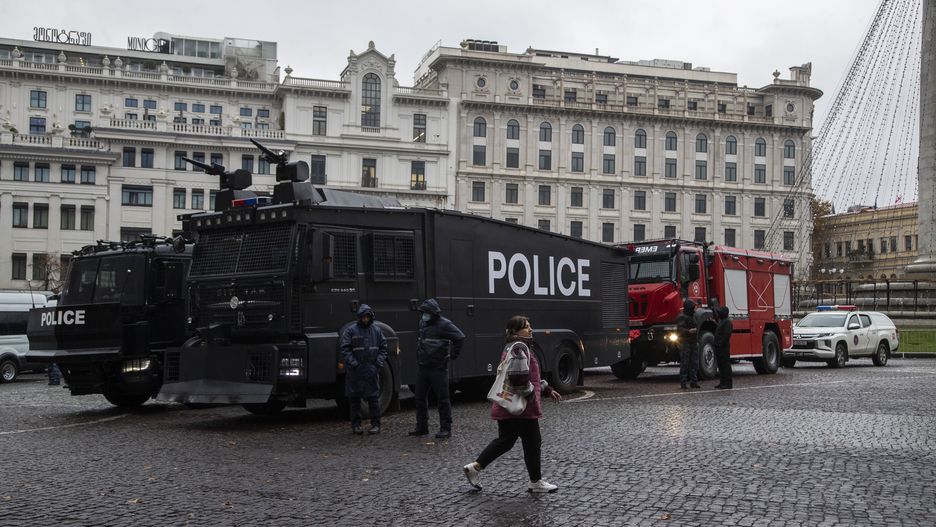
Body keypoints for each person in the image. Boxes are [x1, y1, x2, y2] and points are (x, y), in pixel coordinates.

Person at [462, 315, 562, 494]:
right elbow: (519, 378)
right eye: (526, 327)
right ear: (516, 331)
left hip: (511, 406)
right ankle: (535, 482)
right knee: (531, 442)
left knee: (506, 441)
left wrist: (546, 389)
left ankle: (475, 467)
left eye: (530, 326)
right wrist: (531, 396)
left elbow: (531, 375)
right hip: (522, 407)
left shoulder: (513, 346)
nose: (530, 329)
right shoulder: (519, 347)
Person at [409, 298, 466, 439]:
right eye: (423, 312)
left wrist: (452, 355)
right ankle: (422, 427)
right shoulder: (422, 323)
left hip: (438, 368)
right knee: (419, 397)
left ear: (433, 313)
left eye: (426, 312)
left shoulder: (444, 325)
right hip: (423, 367)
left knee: (443, 399)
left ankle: (446, 428)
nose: (424, 315)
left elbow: (460, 337)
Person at [339, 304, 388, 435]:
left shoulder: (376, 331)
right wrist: (354, 364)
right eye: (363, 317)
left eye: (367, 317)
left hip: (371, 369)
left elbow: (383, 348)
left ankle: (376, 425)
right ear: (360, 317)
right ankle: (356, 425)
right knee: (355, 399)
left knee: (373, 399)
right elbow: (345, 349)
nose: (365, 319)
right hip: (356, 371)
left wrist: (377, 364)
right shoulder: (351, 331)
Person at [676, 299, 700, 389]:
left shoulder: (693, 316)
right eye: (693, 307)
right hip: (685, 342)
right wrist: (689, 331)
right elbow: (679, 330)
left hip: (693, 342)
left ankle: (694, 382)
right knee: (685, 363)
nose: (694, 309)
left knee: (694, 363)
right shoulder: (682, 317)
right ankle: (683, 382)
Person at [713, 306, 733, 389]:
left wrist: (720, 343)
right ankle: (722, 382)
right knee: (721, 365)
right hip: (720, 347)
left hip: (723, 348)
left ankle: (727, 383)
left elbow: (726, 335)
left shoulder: (727, 322)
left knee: (725, 365)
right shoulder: (723, 321)